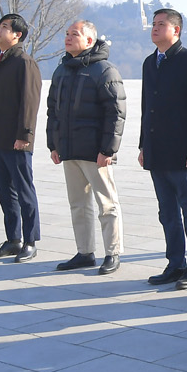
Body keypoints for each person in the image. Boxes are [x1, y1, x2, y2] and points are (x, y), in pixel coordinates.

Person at [139, 8, 187, 289]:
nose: (154, 29)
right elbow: (148, 107)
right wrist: (144, 144)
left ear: (176, 30)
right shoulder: (150, 63)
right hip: (158, 151)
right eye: (153, 25)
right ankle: (175, 263)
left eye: (160, 25)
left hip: (184, 153)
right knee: (167, 212)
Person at [47, 21, 127, 274]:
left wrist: (108, 150)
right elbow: (53, 111)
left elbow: (116, 113)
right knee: (78, 204)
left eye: (75, 34)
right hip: (70, 150)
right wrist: (54, 144)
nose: (68, 38)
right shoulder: (62, 70)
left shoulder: (104, 70)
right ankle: (84, 252)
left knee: (107, 203)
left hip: (96, 152)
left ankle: (112, 253)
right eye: (67, 33)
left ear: (90, 41)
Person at [0, 13, 43, 263]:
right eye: (0, 26)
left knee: (24, 191)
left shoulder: (24, 62)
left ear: (18, 35)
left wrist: (24, 135)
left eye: (6, 27)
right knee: (4, 192)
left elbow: (30, 101)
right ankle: (13, 239)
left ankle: (30, 240)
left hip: (16, 141)